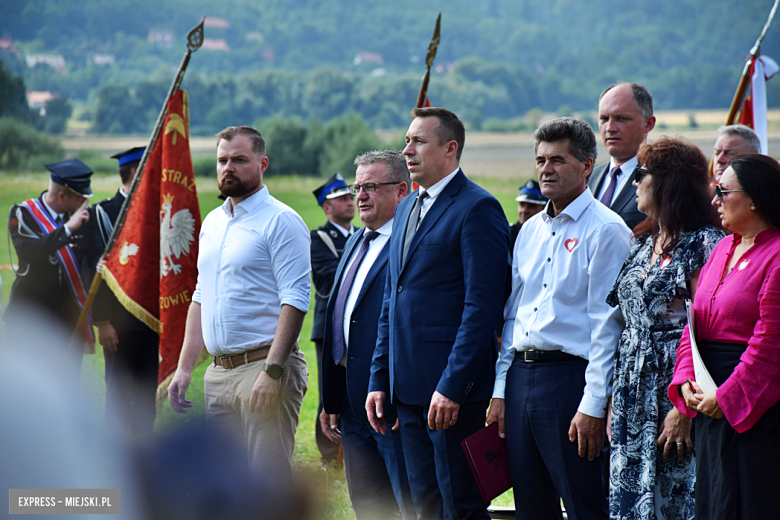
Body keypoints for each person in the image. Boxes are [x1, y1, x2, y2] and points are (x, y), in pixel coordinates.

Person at [366, 107, 509, 520]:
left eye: (418, 142)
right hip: (405, 391)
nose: (406, 149)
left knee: (460, 505)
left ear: (450, 149)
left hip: (450, 394)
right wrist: (380, 379)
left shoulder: (477, 208)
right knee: (425, 506)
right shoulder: (408, 207)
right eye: (407, 140)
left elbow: (481, 309)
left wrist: (452, 386)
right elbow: (392, 303)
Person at [488, 117, 631, 520]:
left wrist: (593, 403)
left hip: (571, 381)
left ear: (587, 165)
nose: (546, 169)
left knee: (584, 500)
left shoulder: (606, 230)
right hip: (521, 379)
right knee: (531, 505)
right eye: (540, 160)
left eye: (558, 160)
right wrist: (501, 389)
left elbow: (608, 326)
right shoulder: (529, 230)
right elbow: (513, 315)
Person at [168, 126, 310, 477]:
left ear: (262, 164)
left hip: (262, 368)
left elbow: (295, 300)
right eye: (222, 160)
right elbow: (201, 296)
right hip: (219, 374)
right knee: (225, 486)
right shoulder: (213, 222)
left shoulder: (282, 221)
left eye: (239, 160)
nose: (228, 167)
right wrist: (185, 367)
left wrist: (272, 371)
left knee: (265, 487)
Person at [606, 137, 723, 520]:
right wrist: (612, 400)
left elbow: (706, 331)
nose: (635, 182)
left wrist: (684, 410)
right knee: (631, 502)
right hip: (631, 391)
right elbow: (624, 321)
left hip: (675, 390)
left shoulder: (704, 244)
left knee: (674, 498)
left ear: (669, 184)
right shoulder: (645, 241)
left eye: (643, 174)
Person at [669, 154, 780, 519]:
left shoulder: (776, 254)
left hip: (755, 404)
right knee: (715, 502)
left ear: (754, 198)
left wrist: (729, 396)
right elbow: (694, 323)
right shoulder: (722, 248)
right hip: (709, 395)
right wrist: (686, 377)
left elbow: (770, 343)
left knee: (752, 499)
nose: (714, 200)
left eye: (723, 191)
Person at [319, 150, 415, 520]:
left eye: (371, 186)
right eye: (357, 187)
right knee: (368, 507)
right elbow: (338, 319)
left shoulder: (409, 244)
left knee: (406, 505)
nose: (360, 195)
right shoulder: (357, 240)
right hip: (351, 403)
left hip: (389, 404)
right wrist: (332, 398)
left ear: (402, 190)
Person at [89, 147, 160, 442]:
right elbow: (93, 271)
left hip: (152, 321)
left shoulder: (157, 211)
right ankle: (115, 458)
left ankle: (142, 458)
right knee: (118, 394)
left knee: (147, 394)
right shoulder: (104, 213)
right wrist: (103, 321)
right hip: (118, 324)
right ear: (134, 173)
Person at [4, 159, 94, 356]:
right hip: (32, 319)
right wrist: (67, 229)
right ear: (62, 196)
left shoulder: (84, 218)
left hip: (68, 320)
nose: (85, 203)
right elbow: (29, 252)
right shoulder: (23, 214)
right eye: (80, 197)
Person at [310, 172, 355, 463]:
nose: (350, 202)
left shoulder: (362, 235)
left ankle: (350, 447)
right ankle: (329, 451)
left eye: (350, 197)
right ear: (327, 208)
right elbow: (334, 273)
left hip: (356, 325)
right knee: (331, 388)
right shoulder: (319, 238)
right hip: (330, 326)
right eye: (341, 199)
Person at [589, 83, 656, 230]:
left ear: (648, 123)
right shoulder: (588, 178)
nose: (610, 128)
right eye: (604, 119)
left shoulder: (661, 180)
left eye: (621, 119)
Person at [509, 179, 547, 248]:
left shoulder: (549, 235)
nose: (524, 211)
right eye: (522, 205)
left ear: (545, 208)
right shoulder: (509, 235)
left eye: (532, 206)